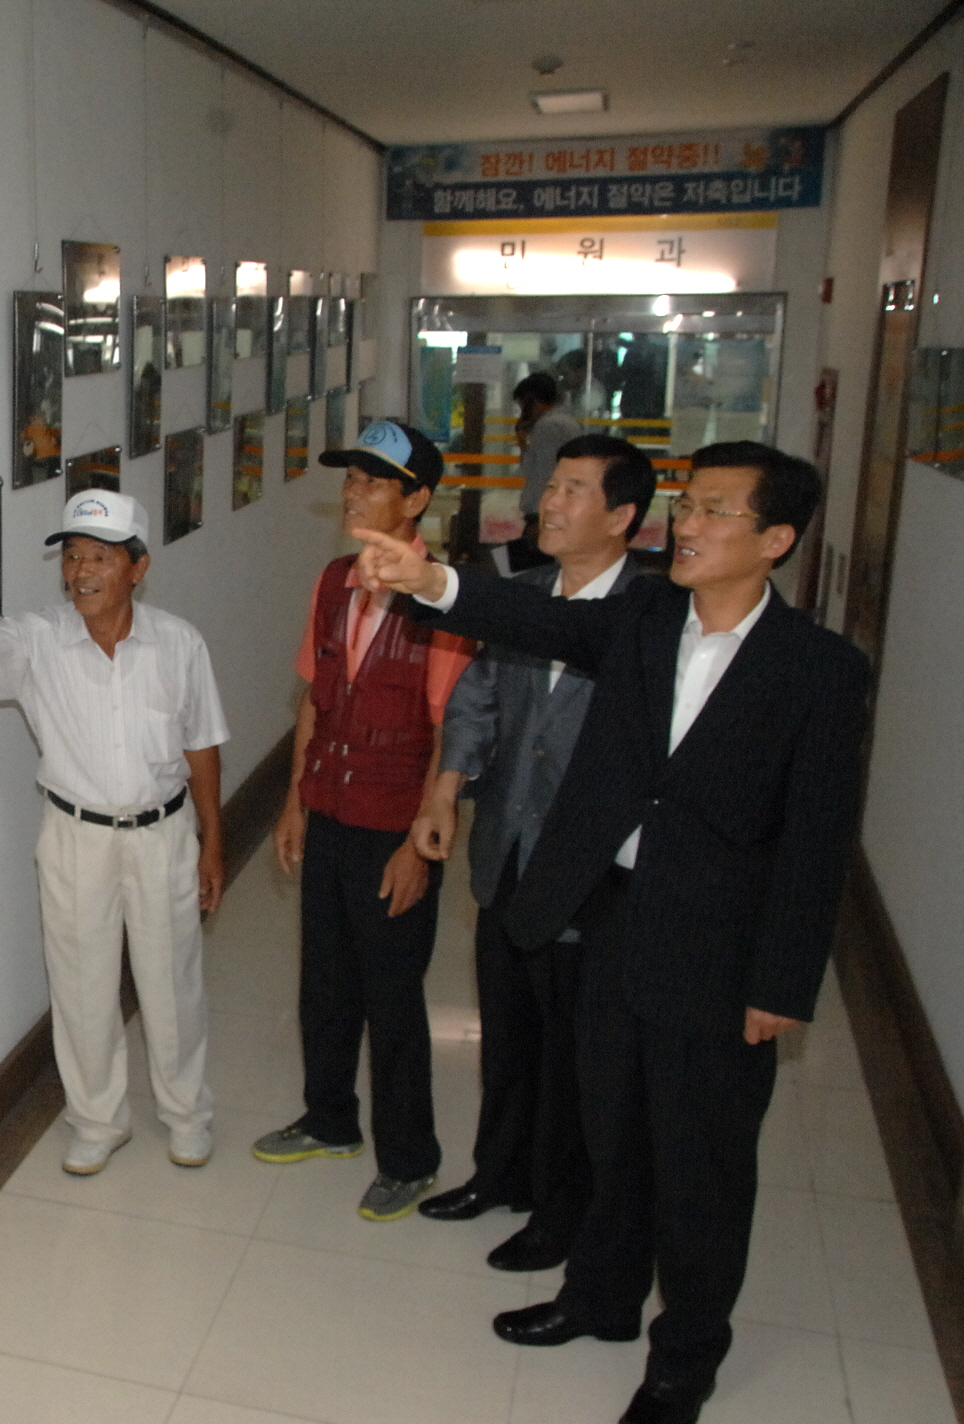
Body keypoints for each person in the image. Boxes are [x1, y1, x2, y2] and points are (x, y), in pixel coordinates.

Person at [352, 442, 870, 1424]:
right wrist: (431, 579)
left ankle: (685, 1353)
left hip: (717, 948)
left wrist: (780, 982)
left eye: (715, 510)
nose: (687, 523)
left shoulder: (817, 670)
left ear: (774, 540)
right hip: (606, 913)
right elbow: (535, 614)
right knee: (607, 1125)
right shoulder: (640, 617)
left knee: (699, 1159)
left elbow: (815, 841)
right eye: (686, 504)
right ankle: (596, 1298)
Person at [0, 491, 229, 1175]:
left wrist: (214, 841)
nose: (81, 572)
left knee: (172, 981)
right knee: (81, 982)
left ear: (137, 569)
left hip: (162, 834)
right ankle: (97, 1117)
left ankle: (186, 1112)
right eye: (73, 557)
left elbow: (203, 747)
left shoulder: (179, 644)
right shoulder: (38, 640)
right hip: (74, 836)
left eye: (100, 558)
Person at [409, 435, 656, 1274]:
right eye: (551, 487)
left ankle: (560, 1212)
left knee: (570, 1054)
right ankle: (497, 1174)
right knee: (507, 1030)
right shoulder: (522, 595)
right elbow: (477, 699)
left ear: (623, 517)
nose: (549, 504)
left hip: (589, 878)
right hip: (506, 854)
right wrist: (446, 789)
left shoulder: (648, 622)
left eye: (574, 491)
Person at [254, 420, 475, 1222]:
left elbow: (454, 731)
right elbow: (317, 698)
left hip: (397, 823)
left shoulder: (443, 599)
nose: (353, 493)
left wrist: (422, 842)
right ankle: (328, 1118)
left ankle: (411, 1159)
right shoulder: (332, 582)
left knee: (393, 997)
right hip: (333, 807)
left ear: (417, 499)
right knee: (324, 980)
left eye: (373, 481)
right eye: (351, 479)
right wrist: (293, 801)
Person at [512, 372, 584, 563]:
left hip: (543, 514)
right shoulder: (567, 422)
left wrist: (536, 516)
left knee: (531, 576)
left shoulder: (547, 426)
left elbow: (541, 474)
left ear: (531, 401)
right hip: (557, 511)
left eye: (522, 405)